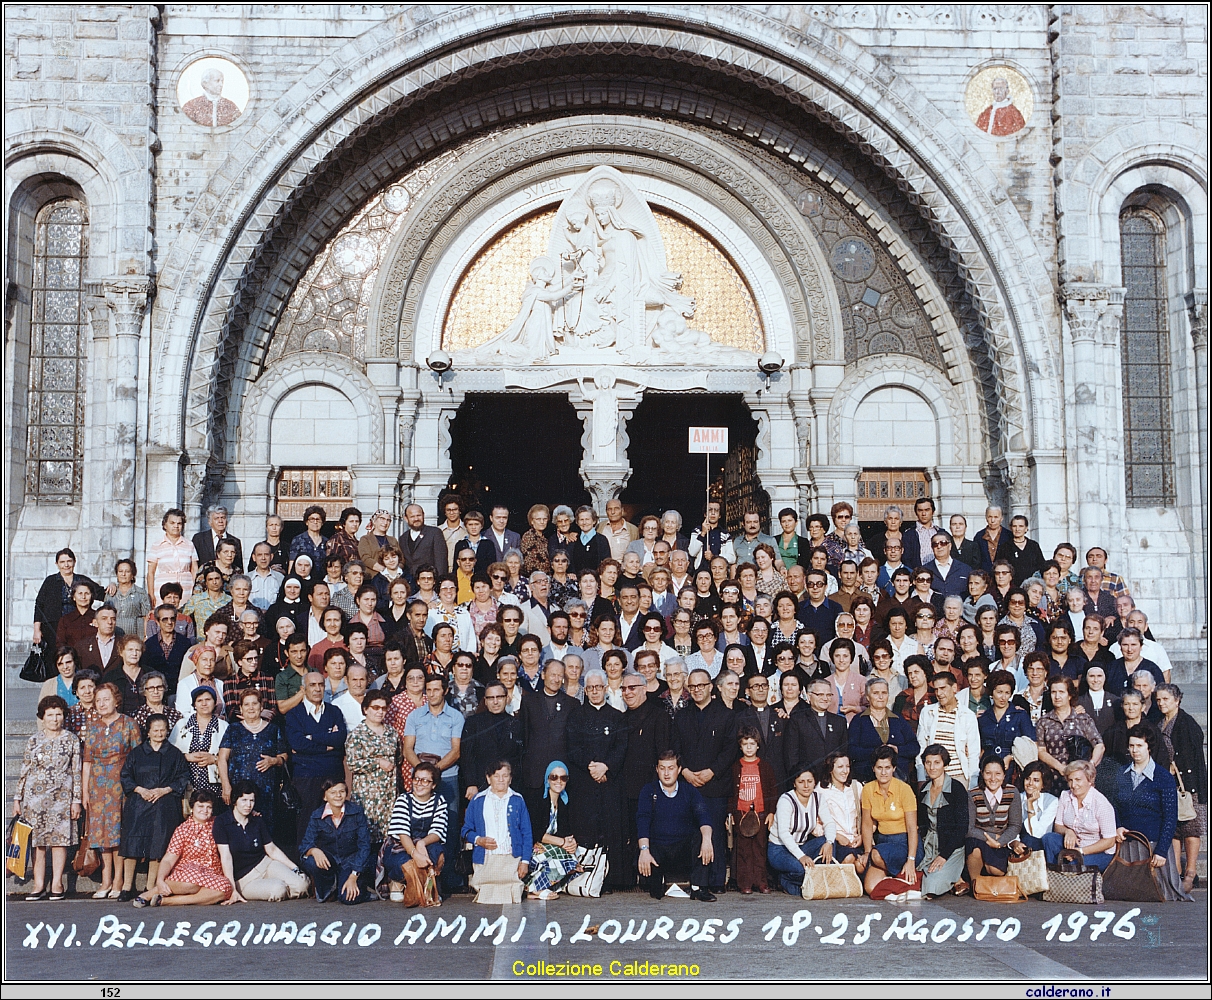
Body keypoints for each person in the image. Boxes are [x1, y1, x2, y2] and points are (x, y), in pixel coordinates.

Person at [14, 695, 82, 901]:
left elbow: (76, 771)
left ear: (64, 716)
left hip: (62, 797)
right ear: (42, 717)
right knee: (38, 843)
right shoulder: (34, 740)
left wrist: (76, 800)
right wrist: (18, 798)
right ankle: (38, 883)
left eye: (58, 714)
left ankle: (57, 883)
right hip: (34, 798)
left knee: (60, 841)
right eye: (50, 714)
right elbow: (25, 770)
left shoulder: (71, 739)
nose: (54, 719)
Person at [675, 668, 737, 892]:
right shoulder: (681, 716)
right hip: (689, 783)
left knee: (716, 834)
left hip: (716, 784)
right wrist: (685, 772)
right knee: (694, 833)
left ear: (711, 686)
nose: (697, 690)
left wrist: (712, 771)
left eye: (701, 685)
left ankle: (716, 880)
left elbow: (731, 749)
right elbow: (675, 748)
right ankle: (697, 881)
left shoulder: (727, 715)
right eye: (692, 686)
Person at [566, 668, 628, 890]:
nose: (594, 692)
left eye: (598, 687)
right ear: (585, 689)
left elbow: (621, 748)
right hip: (584, 784)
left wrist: (606, 767)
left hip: (609, 783)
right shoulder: (575, 716)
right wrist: (592, 767)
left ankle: (610, 879)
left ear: (605, 688)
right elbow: (572, 747)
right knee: (586, 831)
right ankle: (584, 879)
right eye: (590, 688)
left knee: (610, 831)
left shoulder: (617, 716)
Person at [402, 674, 465, 892]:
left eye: (436, 690)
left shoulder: (455, 717)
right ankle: (422, 871)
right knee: (421, 824)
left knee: (449, 825)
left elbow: (456, 750)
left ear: (445, 691)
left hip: (446, 775)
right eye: (428, 690)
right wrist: (422, 772)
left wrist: (434, 773)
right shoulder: (415, 716)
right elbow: (407, 748)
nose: (431, 694)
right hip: (420, 776)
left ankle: (447, 876)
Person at [116, 714, 189, 901]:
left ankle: (151, 886)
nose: (159, 733)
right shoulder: (136, 753)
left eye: (162, 729)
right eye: (155, 730)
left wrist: (164, 790)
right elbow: (126, 776)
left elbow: (182, 777)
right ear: (148, 732)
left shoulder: (174, 754)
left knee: (158, 843)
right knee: (132, 842)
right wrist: (140, 790)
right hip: (138, 802)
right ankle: (127, 886)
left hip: (164, 803)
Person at [1113, 729, 1191, 900]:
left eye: (1140, 745)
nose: (1135, 750)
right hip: (1128, 847)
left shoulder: (1163, 777)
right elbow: (1114, 805)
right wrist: (1118, 825)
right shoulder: (1121, 774)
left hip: (1154, 846)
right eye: (1132, 745)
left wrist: (1162, 851)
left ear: (1149, 747)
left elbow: (1170, 818)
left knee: (1159, 894)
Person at [82, 683, 142, 898]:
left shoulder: (129, 724)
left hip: (121, 783)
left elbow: (137, 759)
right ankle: (106, 878)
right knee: (101, 833)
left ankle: (119, 879)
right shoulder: (92, 726)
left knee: (117, 832)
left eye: (106, 699)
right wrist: (84, 792)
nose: (102, 704)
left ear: (116, 700)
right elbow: (87, 761)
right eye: (98, 700)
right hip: (97, 785)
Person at [133, 790, 232, 907]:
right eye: (200, 806)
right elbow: (168, 859)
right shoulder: (183, 830)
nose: (205, 811)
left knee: (225, 888)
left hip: (212, 873)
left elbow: (236, 817)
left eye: (208, 807)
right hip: (188, 874)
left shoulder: (218, 824)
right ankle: (150, 894)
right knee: (192, 882)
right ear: (192, 807)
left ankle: (168, 901)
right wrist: (160, 880)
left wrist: (253, 813)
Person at [215, 780, 309, 903]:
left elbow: (272, 849)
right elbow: (226, 857)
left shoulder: (256, 820)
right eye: (244, 800)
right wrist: (232, 890)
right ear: (235, 801)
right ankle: (278, 887)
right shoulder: (222, 822)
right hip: (245, 878)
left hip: (265, 864)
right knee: (278, 890)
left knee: (302, 885)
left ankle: (283, 885)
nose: (248, 805)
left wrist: (295, 868)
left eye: (251, 801)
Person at [285, 671, 348, 843]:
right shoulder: (294, 715)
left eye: (321, 684)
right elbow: (297, 744)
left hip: (333, 774)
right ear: (303, 689)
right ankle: (305, 863)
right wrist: (327, 743)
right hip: (306, 777)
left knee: (334, 822)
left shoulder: (334, 711)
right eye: (312, 685)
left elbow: (339, 739)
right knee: (307, 822)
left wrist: (312, 737)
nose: (317, 689)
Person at [1155, 683, 1206, 893]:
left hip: (1189, 784)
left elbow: (1191, 755)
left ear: (1177, 700)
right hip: (1169, 783)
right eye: (1158, 699)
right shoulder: (1160, 722)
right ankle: (1175, 870)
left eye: (1166, 699)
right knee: (1174, 829)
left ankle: (1191, 872)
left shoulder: (1186, 723)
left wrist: (1177, 770)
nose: (1161, 703)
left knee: (1191, 828)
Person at [461, 760, 533, 904]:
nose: (501, 780)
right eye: (496, 775)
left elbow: (527, 833)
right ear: (488, 778)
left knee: (511, 899)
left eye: (505, 776)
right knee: (486, 898)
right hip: (486, 860)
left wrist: (525, 861)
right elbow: (465, 830)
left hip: (511, 861)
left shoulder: (518, 800)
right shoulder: (478, 800)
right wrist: (479, 840)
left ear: (510, 779)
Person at [217, 690, 287, 834]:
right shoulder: (233, 729)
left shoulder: (273, 729)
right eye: (246, 704)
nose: (251, 707)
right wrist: (226, 786)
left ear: (261, 706)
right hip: (239, 791)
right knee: (239, 830)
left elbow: (284, 756)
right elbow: (222, 758)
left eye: (254, 703)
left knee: (265, 832)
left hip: (266, 792)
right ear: (241, 708)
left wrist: (273, 761)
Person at [857, 745, 922, 894]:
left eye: (887, 767)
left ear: (894, 768)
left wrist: (911, 859)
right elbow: (867, 824)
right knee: (871, 888)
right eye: (879, 767)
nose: (884, 772)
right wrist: (867, 851)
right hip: (883, 843)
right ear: (873, 768)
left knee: (876, 854)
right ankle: (905, 881)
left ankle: (909, 873)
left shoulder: (904, 789)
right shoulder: (868, 789)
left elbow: (912, 828)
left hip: (905, 843)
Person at [299, 779, 374, 903]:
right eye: (333, 792)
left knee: (347, 899)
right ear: (325, 796)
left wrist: (354, 876)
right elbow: (304, 845)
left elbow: (364, 846)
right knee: (310, 860)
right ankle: (328, 888)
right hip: (330, 862)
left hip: (351, 862)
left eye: (342, 791)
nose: (338, 796)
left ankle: (363, 891)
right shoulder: (317, 815)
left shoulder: (356, 812)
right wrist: (314, 850)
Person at [383, 761, 449, 900]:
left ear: (433, 785)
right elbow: (403, 833)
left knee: (438, 853)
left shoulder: (439, 801)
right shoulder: (403, 800)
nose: (419, 784)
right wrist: (414, 853)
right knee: (404, 861)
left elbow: (437, 831)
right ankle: (398, 882)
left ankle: (426, 885)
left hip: (424, 843)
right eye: (417, 779)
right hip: (401, 845)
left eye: (425, 781)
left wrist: (422, 843)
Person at [958, 754, 1023, 894]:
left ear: (1004, 774)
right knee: (975, 849)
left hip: (1002, 841)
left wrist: (1001, 842)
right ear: (982, 773)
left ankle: (988, 880)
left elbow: (1015, 825)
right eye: (988, 773)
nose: (993, 778)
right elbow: (969, 828)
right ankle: (975, 885)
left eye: (998, 773)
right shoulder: (973, 794)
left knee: (996, 870)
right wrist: (993, 838)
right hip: (979, 839)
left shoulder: (1012, 792)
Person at [1043, 760, 1117, 870]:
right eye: (1070, 780)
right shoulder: (1065, 796)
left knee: (1074, 865)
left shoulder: (1101, 804)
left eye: (1078, 780)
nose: (1073, 785)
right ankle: (1054, 873)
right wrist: (1068, 831)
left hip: (1098, 851)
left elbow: (1109, 841)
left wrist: (1080, 851)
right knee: (1049, 838)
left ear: (1090, 780)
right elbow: (1057, 826)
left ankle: (1067, 877)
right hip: (1075, 845)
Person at [916, 744, 969, 898]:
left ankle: (955, 878)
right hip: (929, 845)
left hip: (951, 848)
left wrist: (943, 856)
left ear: (945, 764)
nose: (932, 767)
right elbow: (922, 823)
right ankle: (955, 881)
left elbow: (962, 828)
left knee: (931, 886)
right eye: (928, 762)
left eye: (937, 763)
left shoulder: (957, 789)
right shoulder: (924, 788)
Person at [522, 761, 579, 899]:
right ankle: (533, 889)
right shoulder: (538, 799)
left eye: (563, 778)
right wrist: (562, 843)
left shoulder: (564, 802)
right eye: (554, 777)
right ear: (547, 779)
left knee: (574, 860)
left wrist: (571, 843)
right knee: (569, 861)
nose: (558, 781)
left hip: (550, 847)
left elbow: (567, 832)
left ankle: (539, 887)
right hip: (532, 848)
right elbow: (536, 833)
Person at [1035, 676, 1104, 790]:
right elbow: (1041, 750)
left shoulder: (1082, 718)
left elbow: (1099, 745)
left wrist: (1090, 765)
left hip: (1080, 778)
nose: (1057, 696)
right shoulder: (1044, 721)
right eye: (1053, 692)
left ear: (1070, 695)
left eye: (1061, 692)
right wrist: (1060, 768)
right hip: (1053, 778)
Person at [849, 677, 919, 782]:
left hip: (898, 779)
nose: (880, 697)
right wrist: (875, 752)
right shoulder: (859, 721)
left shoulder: (898, 719)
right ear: (868, 697)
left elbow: (914, 746)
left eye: (884, 693)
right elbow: (851, 750)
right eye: (876, 693)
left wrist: (897, 750)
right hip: (867, 778)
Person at [784, 677, 848, 781]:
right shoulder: (797, 720)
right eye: (820, 695)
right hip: (807, 780)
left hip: (833, 779)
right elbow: (791, 755)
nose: (825, 698)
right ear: (809, 696)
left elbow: (844, 752)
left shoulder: (839, 722)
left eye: (828, 695)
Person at [171, 687, 228, 800]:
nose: (204, 704)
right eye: (199, 700)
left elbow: (232, 755)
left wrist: (215, 759)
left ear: (214, 702)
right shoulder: (182, 725)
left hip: (214, 783)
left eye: (208, 699)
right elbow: (169, 753)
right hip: (186, 782)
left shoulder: (224, 726)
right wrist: (187, 757)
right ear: (194, 704)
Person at [978, 669, 1036, 772]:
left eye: (1007, 693)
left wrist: (1010, 758)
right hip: (988, 768)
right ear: (992, 692)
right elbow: (980, 749)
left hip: (1013, 769)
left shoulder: (1020, 715)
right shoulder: (984, 718)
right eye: (999, 692)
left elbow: (1031, 746)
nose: (1003, 697)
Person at [147, 510, 200, 607]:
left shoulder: (189, 544)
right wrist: (151, 594)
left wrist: (195, 590)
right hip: (163, 590)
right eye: (172, 523)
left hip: (186, 589)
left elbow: (194, 569)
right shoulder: (157, 545)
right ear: (165, 525)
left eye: (179, 523)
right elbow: (151, 573)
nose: (176, 526)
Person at [1013, 760, 1060, 851]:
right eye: (1027, 779)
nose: (1030, 783)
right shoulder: (1016, 798)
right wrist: (1015, 842)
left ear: (1043, 784)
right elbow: (1011, 828)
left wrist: (1030, 805)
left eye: (1036, 780)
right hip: (1019, 843)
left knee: (1030, 840)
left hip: (1040, 844)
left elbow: (1037, 834)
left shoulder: (1051, 801)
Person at [105, 558, 152, 640]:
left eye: (127, 571)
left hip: (136, 635)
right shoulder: (111, 592)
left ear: (132, 574)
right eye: (120, 571)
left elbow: (146, 617)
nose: (123, 574)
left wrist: (145, 636)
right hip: (115, 636)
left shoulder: (141, 593)